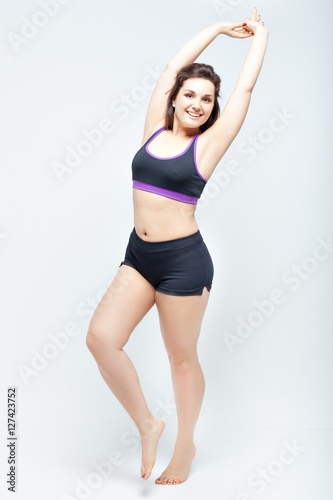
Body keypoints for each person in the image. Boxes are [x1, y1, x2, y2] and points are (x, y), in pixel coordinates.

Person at [86, 7, 269, 486]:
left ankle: (184, 445)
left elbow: (245, 92)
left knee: (181, 357)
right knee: (102, 340)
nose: (198, 103)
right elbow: (170, 69)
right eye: (190, 94)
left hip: (183, 263)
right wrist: (217, 30)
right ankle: (149, 423)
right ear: (175, 99)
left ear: (212, 108)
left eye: (207, 99)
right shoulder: (154, 130)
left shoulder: (206, 147)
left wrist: (258, 39)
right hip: (139, 256)